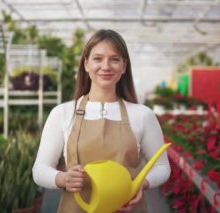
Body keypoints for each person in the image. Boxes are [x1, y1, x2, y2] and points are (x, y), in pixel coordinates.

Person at [32, 29, 171, 212]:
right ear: (86, 64)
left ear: (123, 66)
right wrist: (63, 179)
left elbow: (162, 166)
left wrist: (141, 184)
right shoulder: (62, 113)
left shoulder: (142, 115)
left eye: (114, 59)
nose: (106, 66)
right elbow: (40, 169)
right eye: (97, 59)